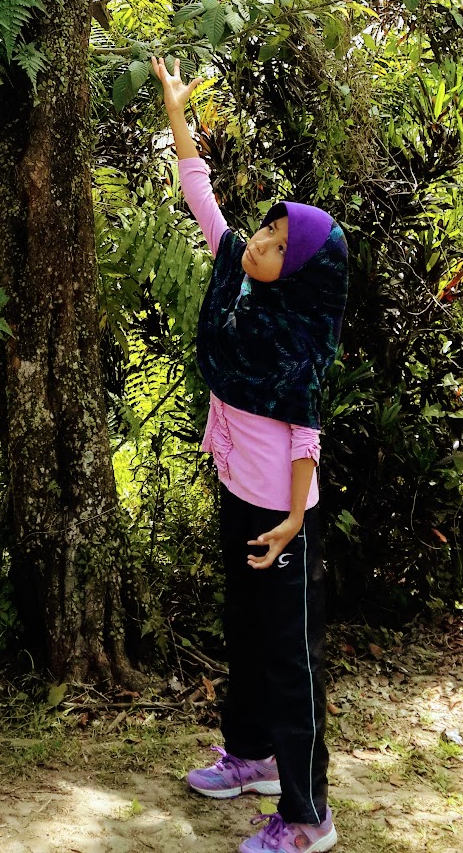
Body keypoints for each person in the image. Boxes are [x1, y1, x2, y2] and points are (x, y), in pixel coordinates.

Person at [151, 56, 347, 853]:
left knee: (292, 657)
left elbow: (305, 433)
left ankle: (307, 816)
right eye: (264, 231)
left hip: (281, 514)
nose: (258, 243)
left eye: (273, 242)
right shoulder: (241, 285)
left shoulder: (298, 338)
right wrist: (176, 118)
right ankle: (251, 755)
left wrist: (296, 520)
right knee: (245, 629)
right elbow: (201, 193)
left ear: (299, 271)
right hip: (241, 490)